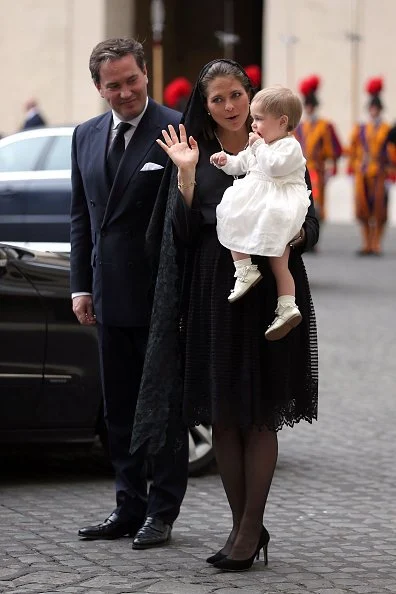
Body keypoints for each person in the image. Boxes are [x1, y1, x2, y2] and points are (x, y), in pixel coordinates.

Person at [130, 59, 319, 572]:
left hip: (272, 292)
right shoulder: (192, 151)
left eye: (237, 94)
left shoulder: (279, 147)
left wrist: (287, 234)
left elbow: (311, 222)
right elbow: (182, 236)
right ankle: (244, 529)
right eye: (219, 99)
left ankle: (245, 531)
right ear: (206, 104)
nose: (231, 106)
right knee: (225, 419)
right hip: (217, 292)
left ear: (251, 96)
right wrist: (187, 175)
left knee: (259, 415)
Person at [70, 38, 189, 550]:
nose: (125, 93)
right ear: (98, 87)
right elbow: (81, 218)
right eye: (113, 85)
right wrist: (80, 286)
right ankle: (127, 505)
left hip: (159, 298)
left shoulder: (175, 129)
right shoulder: (84, 135)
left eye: (132, 80)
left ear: (147, 74)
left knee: (161, 408)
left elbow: (190, 216)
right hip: (106, 293)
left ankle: (161, 513)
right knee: (117, 408)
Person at [210, 85, 311, 341]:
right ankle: (245, 269)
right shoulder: (260, 144)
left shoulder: (289, 147)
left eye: (259, 119)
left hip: (280, 203)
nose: (253, 125)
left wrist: (257, 148)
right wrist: (225, 161)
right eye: (253, 118)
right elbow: (241, 164)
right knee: (232, 215)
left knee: (280, 260)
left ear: (282, 121)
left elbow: (274, 168)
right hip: (260, 200)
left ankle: (287, 305)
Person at [346, 77, 391, 256]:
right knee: (363, 210)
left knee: (380, 210)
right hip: (363, 172)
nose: (374, 111)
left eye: (376, 109)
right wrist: (352, 167)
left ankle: (376, 243)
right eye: (372, 108)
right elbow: (353, 148)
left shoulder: (387, 129)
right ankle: (366, 242)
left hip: (380, 173)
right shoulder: (361, 128)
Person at [295, 75, 342, 223]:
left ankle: (315, 234)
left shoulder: (325, 126)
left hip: (318, 169)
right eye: (307, 106)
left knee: (317, 204)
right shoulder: (299, 127)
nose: (309, 108)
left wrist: (332, 166)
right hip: (300, 169)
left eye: (312, 106)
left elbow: (334, 149)